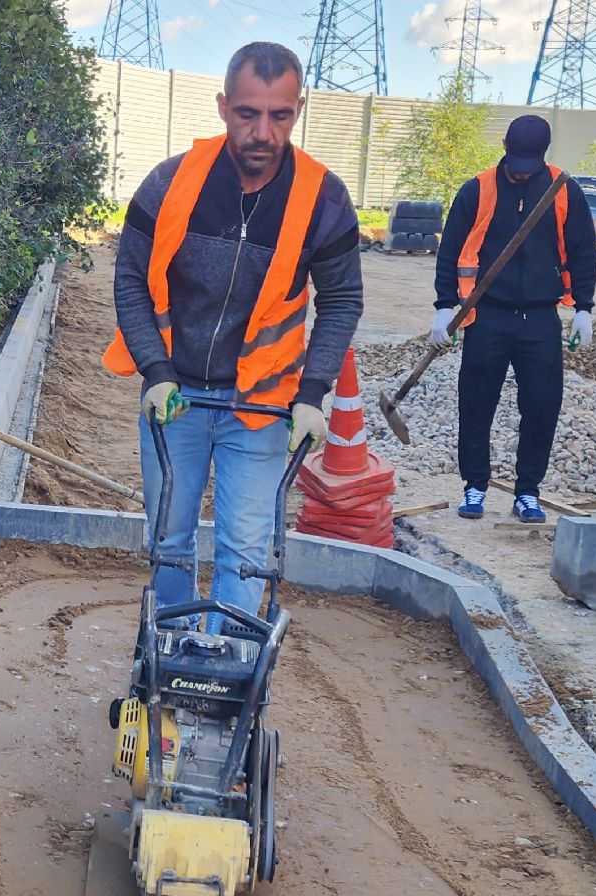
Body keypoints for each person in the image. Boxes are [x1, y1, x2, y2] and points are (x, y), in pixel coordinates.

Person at [106, 41, 364, 626]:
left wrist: (313, 392)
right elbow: (129, 282)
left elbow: (343, 298)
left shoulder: (323, 199)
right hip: (176, 399)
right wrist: (155, 370)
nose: (263, 132)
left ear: (297, 110)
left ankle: (230, 664)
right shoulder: (172, 183)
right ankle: (171, 656)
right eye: (248, 113)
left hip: (263, 405)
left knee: (246, 552)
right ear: (223, 107)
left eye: (279, 115)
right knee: (169, 539)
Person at [429, 114, 596, 524]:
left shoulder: (563, 190)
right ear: (504, 146)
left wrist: (584, 309)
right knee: (476, 403)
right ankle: (474, 485)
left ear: (544, 154)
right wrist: (443, 305)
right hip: (487, 316)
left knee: (542, 406)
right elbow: (450, 250)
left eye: (531, 164)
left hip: (540, 318)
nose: (522, 174)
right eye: (517, 162)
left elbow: (582, 251)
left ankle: (527, 491)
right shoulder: (477, 190)